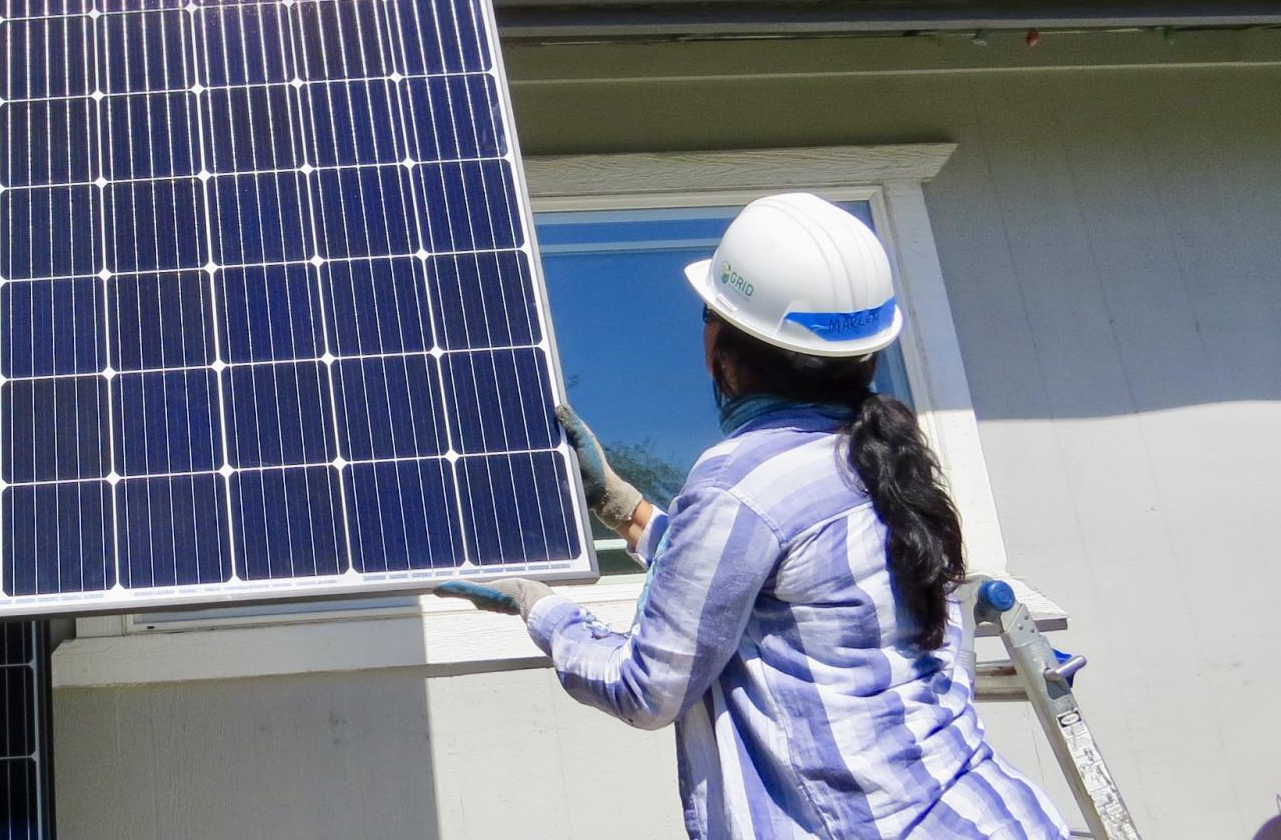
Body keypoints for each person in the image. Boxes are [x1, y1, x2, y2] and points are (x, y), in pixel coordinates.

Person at [446, 193, 1067, 838]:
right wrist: (625, 508)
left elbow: (645, 689)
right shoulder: (874, 457)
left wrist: (544, 610)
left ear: (725, 347)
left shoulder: (739, 481)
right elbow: (760, 577)